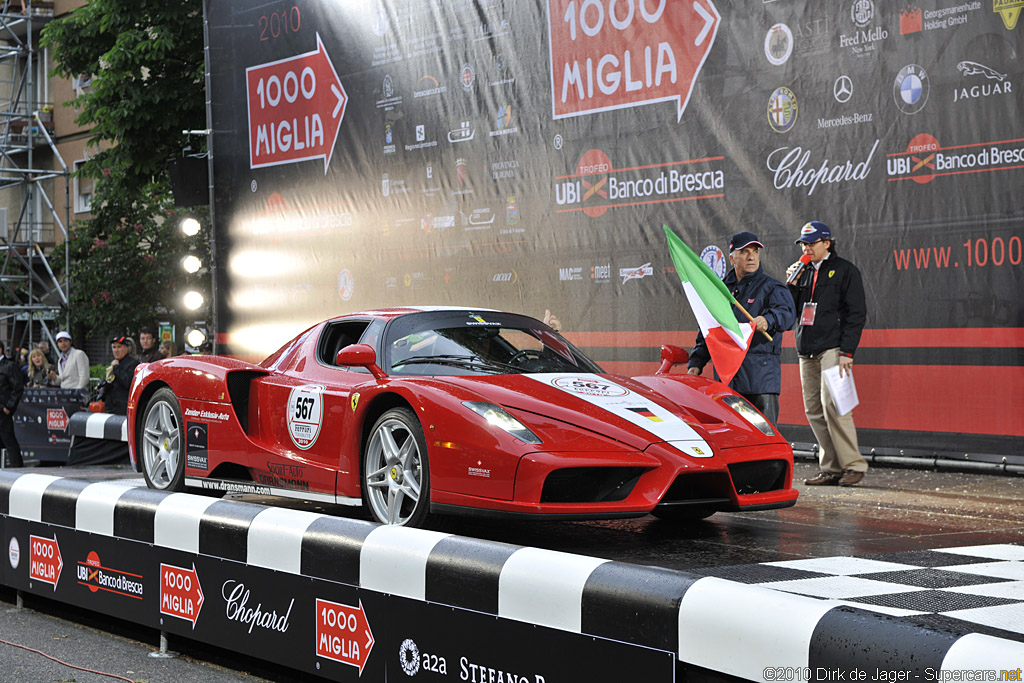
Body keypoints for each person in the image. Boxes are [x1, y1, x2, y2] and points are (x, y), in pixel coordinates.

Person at [786, 221, 868, 487]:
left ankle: (853, 465)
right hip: (806, 349)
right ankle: (831, 468)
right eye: (803, 244)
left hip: (833, 347)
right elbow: (792, 312)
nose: (806, 248)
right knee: (813, 410)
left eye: (811, 243)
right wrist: (793, 286)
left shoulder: (845, 271)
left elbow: (856, 314)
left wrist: (847, 352)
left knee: (834, 404)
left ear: (826, 243)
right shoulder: (804, 272)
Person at [687, 232, 796, 425]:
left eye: (755, 251)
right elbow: (709, 330)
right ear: (732, 258)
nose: (751, 256)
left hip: (760, 381)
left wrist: (768, 320)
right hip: (727, 381)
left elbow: (787, 315)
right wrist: (696, 362)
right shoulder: (719, 291)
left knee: (763, 441)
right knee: (731, 439)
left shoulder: (772, 287)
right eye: (744, 252)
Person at [0, 340, 24, 467]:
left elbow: (18, 387)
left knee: (9, 441)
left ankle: (18, 468)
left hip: (3, 411)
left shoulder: (9, 366)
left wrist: (9, 406)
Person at [104, 335, 139, 415]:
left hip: (123, 408)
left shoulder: (133, 363)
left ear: (126, 349)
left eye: (119, 347)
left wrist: (116, 367)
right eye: (114, 347)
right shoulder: (114, 362)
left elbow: (127, 382)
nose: (116, 350)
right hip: (111, 407)